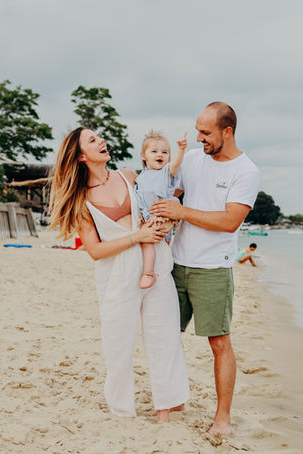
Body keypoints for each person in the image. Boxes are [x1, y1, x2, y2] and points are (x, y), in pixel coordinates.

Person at [49, 127, 189, 422]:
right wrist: (137, 237)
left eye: (100, 136)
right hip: (116, 275)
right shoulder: (80, 199)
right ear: (80, 156)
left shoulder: (128, 175)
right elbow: (95, 251)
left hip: (156, 265)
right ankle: (122, 410)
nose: (101, 140)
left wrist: (164, 226)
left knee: (164, 337)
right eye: (92, 140)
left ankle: (166, 406)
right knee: (118, 345)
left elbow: (160, 201)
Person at [151, 102, 260, 435]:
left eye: (206, 132)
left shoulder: (246, 171)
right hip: (176, 263)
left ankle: (222, 417)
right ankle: (174, 398)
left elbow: (230, 222)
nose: (199, 138)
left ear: (227, 131)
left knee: (219, 343)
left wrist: (182, 212)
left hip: (213, 268)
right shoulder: (194, 160)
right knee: (167, 337)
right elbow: (168, 192)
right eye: (198, 130)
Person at [134, 130, 187, 289]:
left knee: (148, 242)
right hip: (150, 215)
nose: (160, 155)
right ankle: (160, 269)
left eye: (165, 152)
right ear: (143, 155)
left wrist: (181, 150)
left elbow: (175, 164)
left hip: (163, 213)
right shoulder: (141, 176)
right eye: (154, 151)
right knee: (157, 244)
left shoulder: (165, 172)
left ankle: (148, 273)